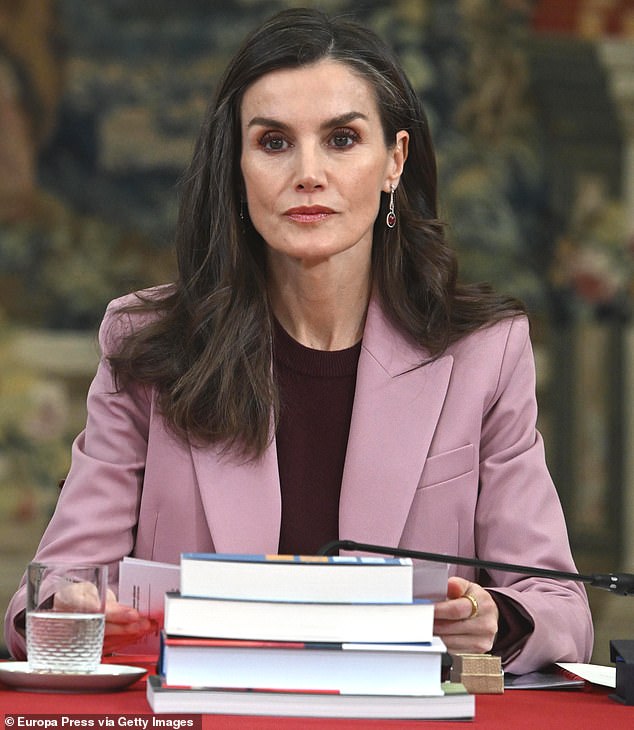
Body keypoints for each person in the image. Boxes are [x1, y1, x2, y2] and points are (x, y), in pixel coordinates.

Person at [4, 7, 593, 674]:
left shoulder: (483, 353)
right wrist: (72, 608)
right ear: (238, 165)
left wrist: (497, 620)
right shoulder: (148, 346)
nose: (307, 173)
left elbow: (561, 607)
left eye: (341, 140)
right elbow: (45, 594)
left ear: (394, 160)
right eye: (275, 142)